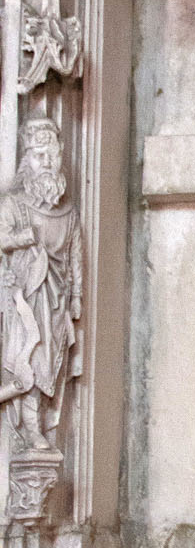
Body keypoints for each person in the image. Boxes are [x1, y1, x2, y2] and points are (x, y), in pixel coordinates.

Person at [0, 116, 81, 450]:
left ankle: (40, 424)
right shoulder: (13, 205)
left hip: (56, 298)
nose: (46, 163)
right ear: (26, 160)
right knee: (28, 359)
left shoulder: (70, 212)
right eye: (38, 155)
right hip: (22, 298)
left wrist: (76, 295)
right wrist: (23, 238)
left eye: (51, 155)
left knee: (51, 361)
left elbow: (76, 254)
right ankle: (31, 428)